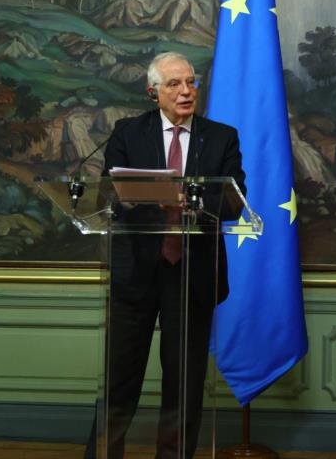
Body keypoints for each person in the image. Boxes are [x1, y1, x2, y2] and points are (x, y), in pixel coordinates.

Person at [85, 52, 245, 458]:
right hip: (135, 271)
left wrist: (183, 197)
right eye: (174, 84)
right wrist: (149, 196)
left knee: (184, 382)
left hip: (192, 274)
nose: (186, 91)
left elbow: (231, 203)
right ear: (152, 92)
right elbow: (111, 196)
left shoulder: (222, 137)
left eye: (191, 82)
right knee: (121, 378)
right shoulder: (127, 134)